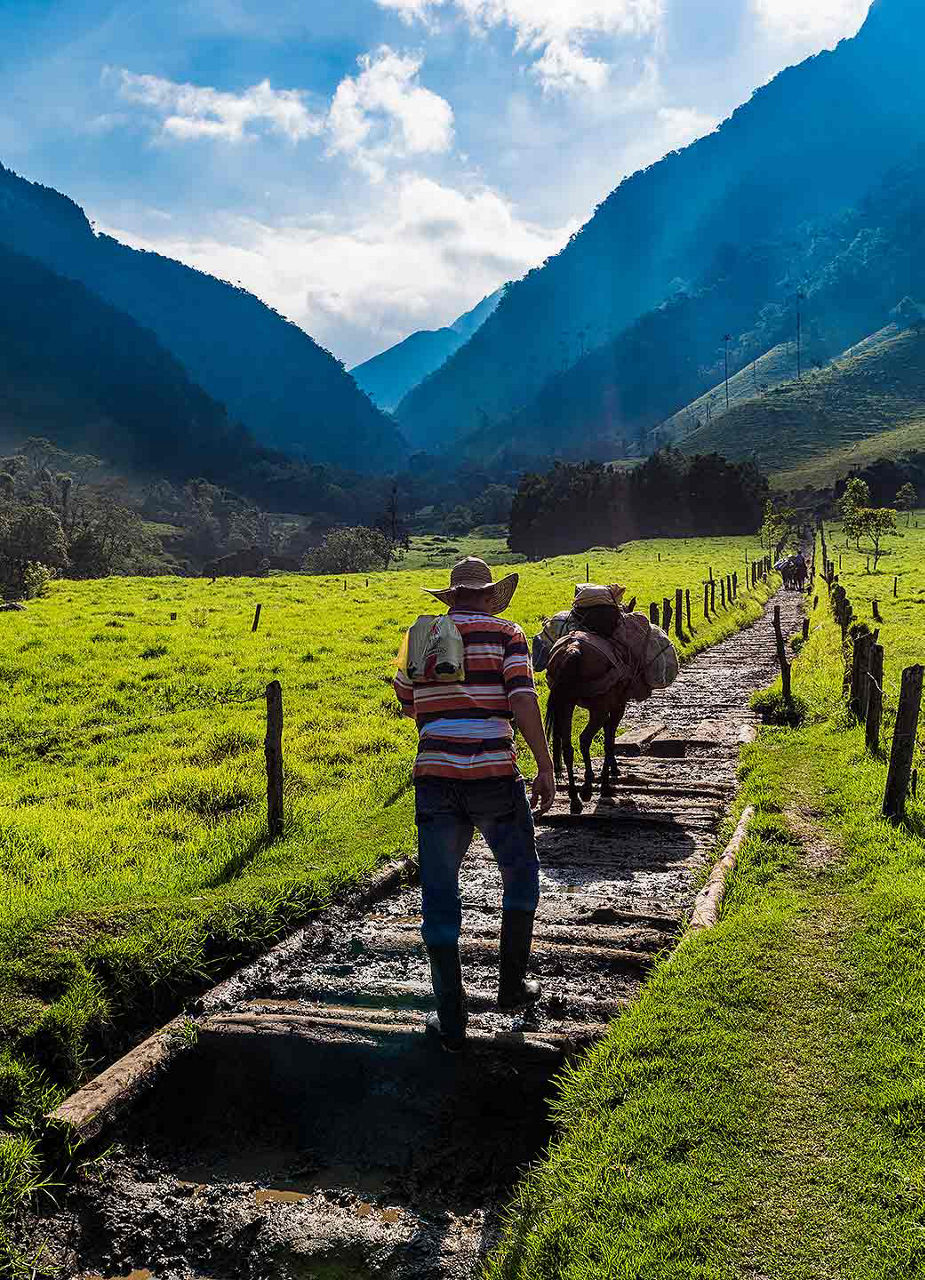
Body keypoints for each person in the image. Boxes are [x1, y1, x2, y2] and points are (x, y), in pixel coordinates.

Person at [394, 557, 556, 1052]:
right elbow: (524, 699)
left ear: (450, 596)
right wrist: (544, 765)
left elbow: (406, 702)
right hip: (493, 775)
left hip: (436, 777)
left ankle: (452, 1020)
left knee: (440, 889)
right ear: (488, 596)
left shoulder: (418, 636)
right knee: (520, 872)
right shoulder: (508, 633)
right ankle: (510, 989)